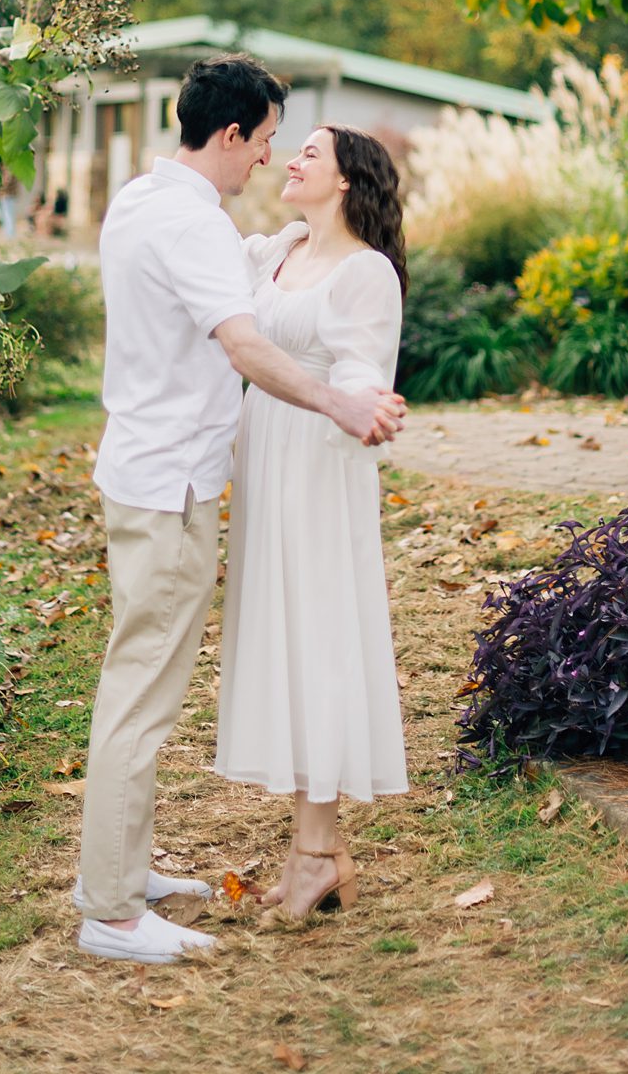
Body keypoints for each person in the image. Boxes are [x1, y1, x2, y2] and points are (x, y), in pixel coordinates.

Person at [75, 56, 405, 966]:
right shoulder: (197, 227)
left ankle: (126, 873)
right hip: (169, 486)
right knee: (140, 697)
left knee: (139, 684)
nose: (269, 157)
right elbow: (246, 347)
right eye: (263, 140)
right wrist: (338, 402)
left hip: (148, 472)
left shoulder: (145, 200)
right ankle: (110, 912)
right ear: (230, 134)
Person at [215, 124, 408, 919]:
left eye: (309, 154)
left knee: (318, 644)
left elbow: (362, 366)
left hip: (320, 467)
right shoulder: (277, 250)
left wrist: (365, 403)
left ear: (347, 180)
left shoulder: (367, 273)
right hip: (266, 459)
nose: (291, 161)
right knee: (284, 645)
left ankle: (316, 854)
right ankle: (315, 853)